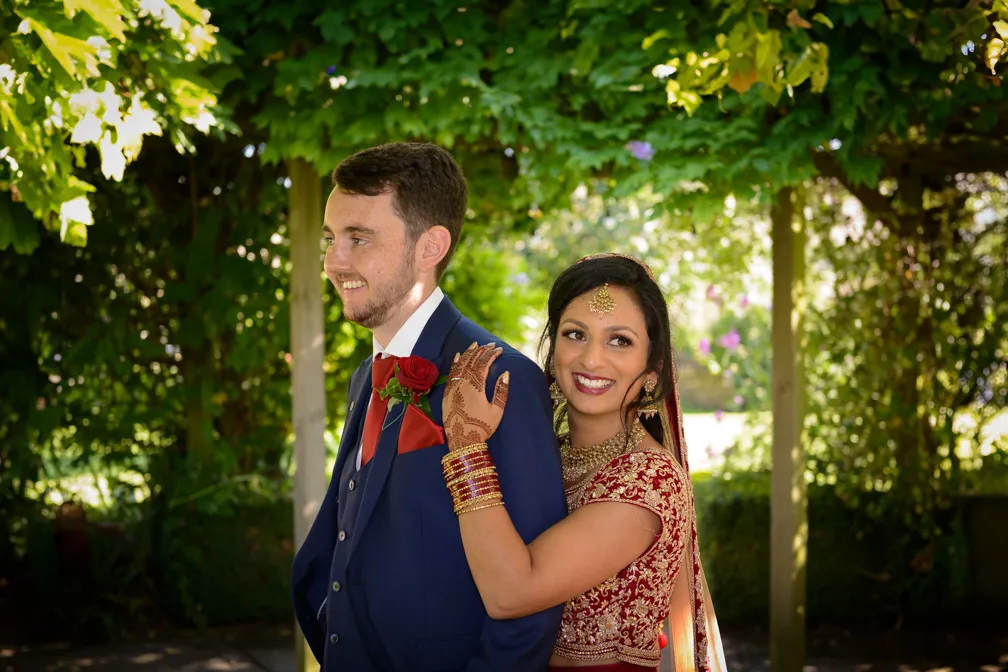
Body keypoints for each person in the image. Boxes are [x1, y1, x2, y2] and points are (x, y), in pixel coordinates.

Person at [291, 142, 568, 672]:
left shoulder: (500, 379)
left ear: (431, 246)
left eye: (359, 238)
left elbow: (531, 604)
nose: (333, 262)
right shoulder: (362, 381)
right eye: (331, 238)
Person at [439, 254, 727, 672]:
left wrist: (465, 447)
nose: (591, 360)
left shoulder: (649, 480)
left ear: (653, 369)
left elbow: (510, 594)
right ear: (554, 348)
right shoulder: (547, 453)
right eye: (575, 334)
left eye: (619, 340)